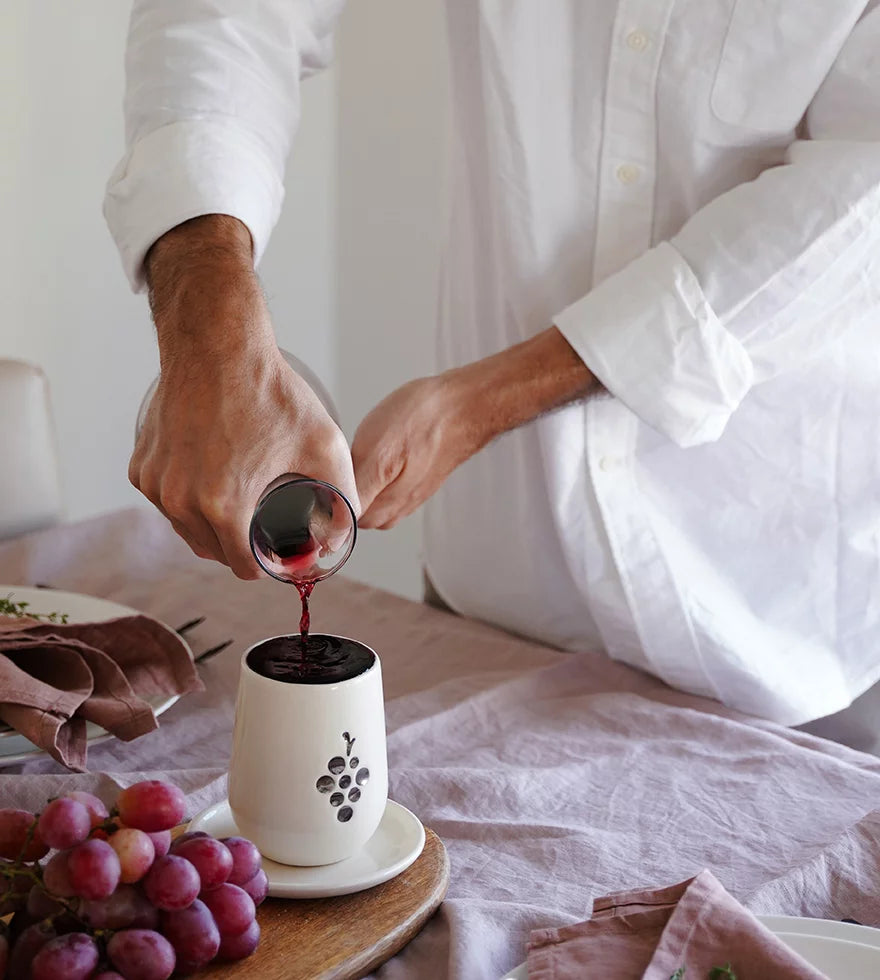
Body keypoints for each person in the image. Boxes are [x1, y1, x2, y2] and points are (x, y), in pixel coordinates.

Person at [105, 1, 880, 730]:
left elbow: (862, 182)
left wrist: (484, 403)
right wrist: (208, 321)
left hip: (788, 597)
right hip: (501, 581)